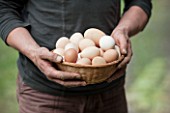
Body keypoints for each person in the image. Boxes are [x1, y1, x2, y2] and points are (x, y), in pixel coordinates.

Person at [0, 0, 152, 113]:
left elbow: (140, 2)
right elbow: (4, 8)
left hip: (110, 92)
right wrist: (33, 52)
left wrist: (123, 29)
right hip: (45, 96)